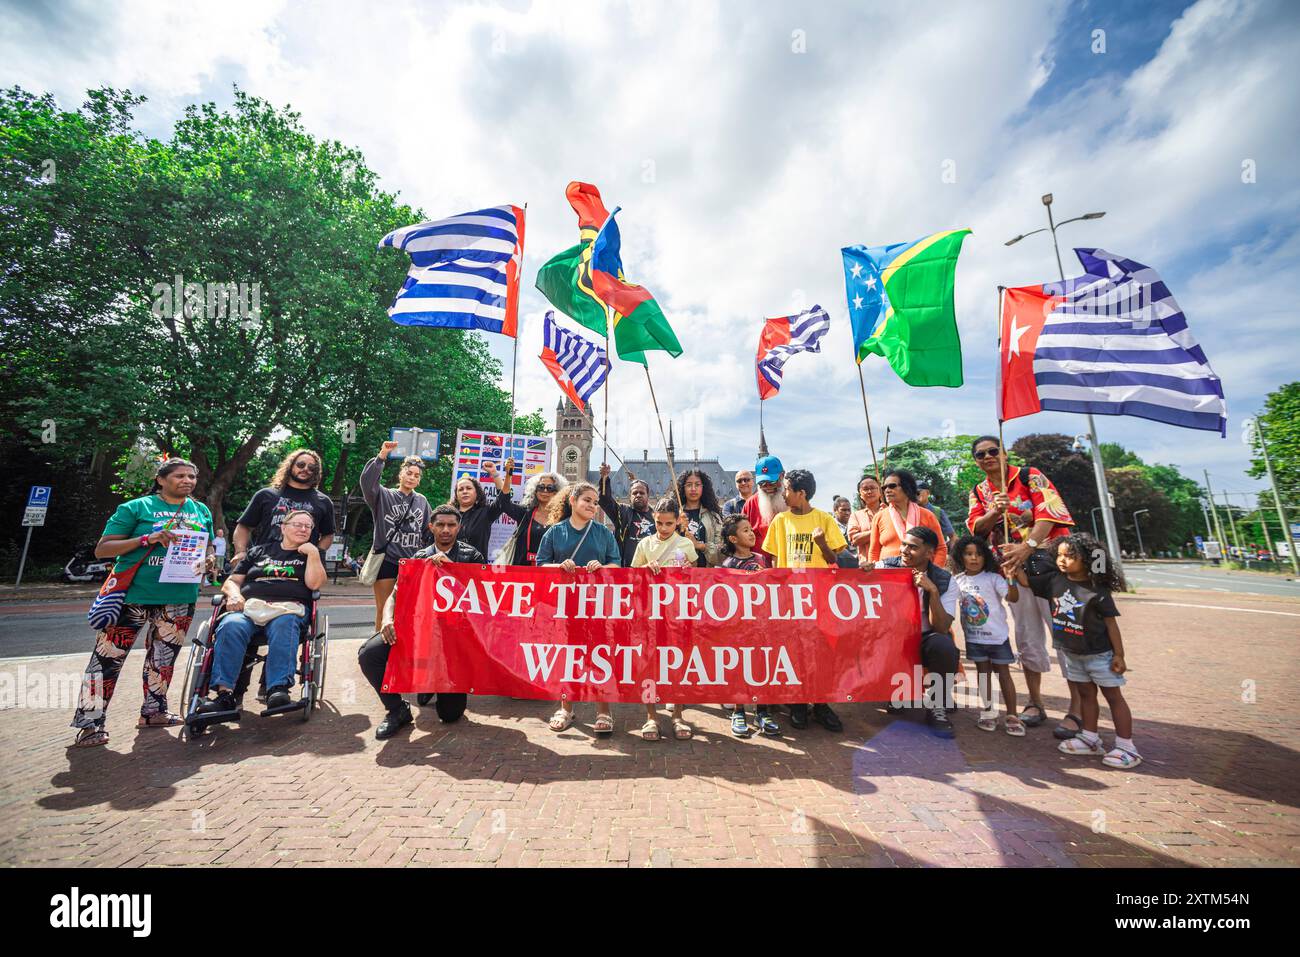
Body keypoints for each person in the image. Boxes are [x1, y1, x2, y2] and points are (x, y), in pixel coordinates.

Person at [70, 458, 215, 747]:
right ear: (161, 480)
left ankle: (154, 712)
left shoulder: (200, 510)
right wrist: (147, 539)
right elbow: (103, 549)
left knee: (162, 661)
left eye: (192, 476)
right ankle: (89, 723)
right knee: (106, 661)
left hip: (178, 597)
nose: (187, 481)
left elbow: (207, 544)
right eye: (180, 476)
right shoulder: (137, 508)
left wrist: (210, 559)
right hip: (132, 596)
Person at [966, 435, 1078, 737]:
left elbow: (1051, 514)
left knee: (1066, 636)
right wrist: (995, 511)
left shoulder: (1030, 476)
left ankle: (1077, 709)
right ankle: (1036, 702)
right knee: (1027, 637)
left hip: (1051, 567)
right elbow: (976, 528)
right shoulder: (980, 491)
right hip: (1013, 572)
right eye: (980, 454)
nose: (987, 457)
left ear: (1004, 453)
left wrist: (1026, 546)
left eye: (993, 451)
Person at [359, 505, 485, 739]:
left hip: (452, 640)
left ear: (459, 527)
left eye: (451, 525)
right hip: (419, 633)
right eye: (440, 525)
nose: (446, 530)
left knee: (450, 715)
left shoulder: (472, 556)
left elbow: (482, 601)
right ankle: (397, 710)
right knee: (369, 654)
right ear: (431, 527)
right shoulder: (418, 557)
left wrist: (451, 569)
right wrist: (387, 619)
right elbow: (395, 594)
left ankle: (434, 682)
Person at [1014, 534, 1139, 768]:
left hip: (1099, 654)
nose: (1062, 560)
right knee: (1086, 696)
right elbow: (1026, 582)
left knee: (1113, 697)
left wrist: (1119, 654)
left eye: (1070, 556)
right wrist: (1014, 563)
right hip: (1072, 653)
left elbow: (1111, 623)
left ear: (1087, 560)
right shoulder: (1053, 580)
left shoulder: (1097, 590)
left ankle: (1126, 746)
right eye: (1059, 555)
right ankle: (1090, 737)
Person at [192, 509, 326, 717]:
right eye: (298, 524)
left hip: (288, 609)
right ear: (283, 527)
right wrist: (234, 596)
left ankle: (277, 689)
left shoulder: (311, 554)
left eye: (308, 526)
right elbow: (232, 581)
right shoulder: (258, 552)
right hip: (250, 607)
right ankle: (224, 695)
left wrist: (313, 553)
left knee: (285, 623)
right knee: (231, 625)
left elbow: (315, 584)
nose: (303, 529)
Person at [762, 468, 847, 732]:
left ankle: (821, 703)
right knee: (795, 651)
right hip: (790, 599)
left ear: (801, 493)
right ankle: (798, 703)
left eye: (786, 489)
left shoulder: (825, 520)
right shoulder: (780, 521)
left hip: (820, 598)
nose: (782, 493)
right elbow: (775, 562)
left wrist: (821, 543)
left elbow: (835, 561)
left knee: (821, 650)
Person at [537, 482, 622, 735]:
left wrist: (603, 567)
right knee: (567, 656)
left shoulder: (603, 533)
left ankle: (604, 711)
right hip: (565, 604)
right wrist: (559, 566)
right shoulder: (554, 532)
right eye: (587, 500)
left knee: (599, 655)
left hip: (597, 604)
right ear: (572, 501)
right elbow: (542, 565)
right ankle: (566, 707)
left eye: (595, 502)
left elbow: (616, 564)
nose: (592, 505)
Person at [875, 526, 961, 737]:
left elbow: (940, 627)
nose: (904, 550)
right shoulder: (885, 567)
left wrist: (932, 592)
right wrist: (865, 571)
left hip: (925, 636)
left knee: (944, 645)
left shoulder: (944, 580)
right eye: (903, 544)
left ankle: (936, 705)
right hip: (893, 636)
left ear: (929, 554)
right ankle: (899, 692)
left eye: (912, 547)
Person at [630, 497, 698, 741]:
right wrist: (646, 567)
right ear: (653, 520)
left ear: (677, 522)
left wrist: (687, 571)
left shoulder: (685, 544)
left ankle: (678, 715)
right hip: (650, 613)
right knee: (650, 664)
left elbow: (696, 580)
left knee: (677, 663)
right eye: (659, 523)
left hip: (678, 614)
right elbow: (631, 576)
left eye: (669, 523)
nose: (664, 528)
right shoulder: (644, 544)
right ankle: (651, 717)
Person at [950, 534, 1024, 736]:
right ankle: (989, 712)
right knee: (984, 675)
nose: (974, 558)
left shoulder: (994, 578)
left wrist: (1011, 578)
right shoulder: (957, 581)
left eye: (979, 554)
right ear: (960, 557)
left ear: (986, 557)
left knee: (1004, 674)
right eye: (968, 554)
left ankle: (1012, 715)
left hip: (997, 637)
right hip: (975, 639)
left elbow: (1013, 598)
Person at [361, 441, 434, 632]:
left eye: (416, 475)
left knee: (408, 610)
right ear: (401, 474)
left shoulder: (422, 501)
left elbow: (428, 532)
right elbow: (367, 483)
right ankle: (379, 651)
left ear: (419, 480)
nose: (412, 477)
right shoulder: (384, 496)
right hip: (388, 561)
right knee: (384, 610)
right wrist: (382, 455)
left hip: (412, 564)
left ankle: (402, 652)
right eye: (409, 473)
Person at [720, 514, 779, 738]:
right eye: (745, 530)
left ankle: (763, 711)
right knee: (740, 669)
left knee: (762, 667)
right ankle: (739, 711)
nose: (751, 532)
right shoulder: (728, 564)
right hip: (739, 627)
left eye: (750, 528)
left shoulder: (762, 560)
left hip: (762, 625)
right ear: (733, 539)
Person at [232, 448, 335, 560]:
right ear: (291, 465)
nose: (305, 469)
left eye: (311, 468)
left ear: (315, 472)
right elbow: (244, 526)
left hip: (303, 568)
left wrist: (315, 556)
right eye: (301, 464)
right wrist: (240, 552)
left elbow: (328, 534)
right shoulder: (265, 495)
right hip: (263, 565)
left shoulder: (323, 501)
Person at [489, 462, 567, 566]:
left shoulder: (564, 516)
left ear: (557, 492)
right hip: (523, 572)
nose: (544, 491)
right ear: (535, 490)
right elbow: (503, 503)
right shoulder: (525, 513)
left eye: (550, 488)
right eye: (541, 487)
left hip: (552, 571)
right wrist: (508, 475)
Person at [868, 468, 948, 569]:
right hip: (887, 577)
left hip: (921, 578)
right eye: (884, 488)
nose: (887, 490)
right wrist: (873, 575)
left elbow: (941, 548)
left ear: (907, 487)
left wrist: (932, 574)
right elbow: (874, 551)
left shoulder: (927, 515)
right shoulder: (879, 517)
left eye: (892, 486)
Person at [597, 463, 656, 567]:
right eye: (634, 493)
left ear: (648, 495)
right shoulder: (622, 512)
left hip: (651, 570)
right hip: (625, 571)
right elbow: (604, 500)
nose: (638, 495)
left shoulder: (656, 516)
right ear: (630, 497)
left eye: (642, 493)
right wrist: (604, 478)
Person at [450, 471, 512, 559]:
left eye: (468, 488)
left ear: (477, 493)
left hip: (477, 568)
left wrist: (494, 473)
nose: (465, 491)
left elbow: (504, 498)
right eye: (461, 489)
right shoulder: (448, 514)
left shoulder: (486, 512)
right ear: (456, 495)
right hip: (449, 568)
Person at [742, 454, 787, 562]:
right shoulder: (750, 504)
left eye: (771, 482)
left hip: (789, 567)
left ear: (782, 476)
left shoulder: (793, 500)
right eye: (762, 483)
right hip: (759, 568)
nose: (767, 487)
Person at [675, 468, 724, 567]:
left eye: (697, 485)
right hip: (680, 574)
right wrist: (677, 527)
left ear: (703, 487)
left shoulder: (713, 516)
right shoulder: (675, 515)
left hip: (706, 575)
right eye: (689, 485)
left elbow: (722, 553)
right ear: (683, 488)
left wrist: (700, 545)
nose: (693, 489)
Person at [848, 474, 884, 568]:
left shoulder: (890, 512)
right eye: (865, 489)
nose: (869, 491)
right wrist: (878, 531)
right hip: (866, 566)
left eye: (872, 488)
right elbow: (854, 539)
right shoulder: (856, 515)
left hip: (889, 564)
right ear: (860, 494)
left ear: (880, 491)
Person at [917, 483, 956, 551]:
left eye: (918, 492)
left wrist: (951, 556)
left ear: (928, 493)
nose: (915, 495)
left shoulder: (938, 512)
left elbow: (952, 536)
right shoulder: (908, 511)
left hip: (935, 555)